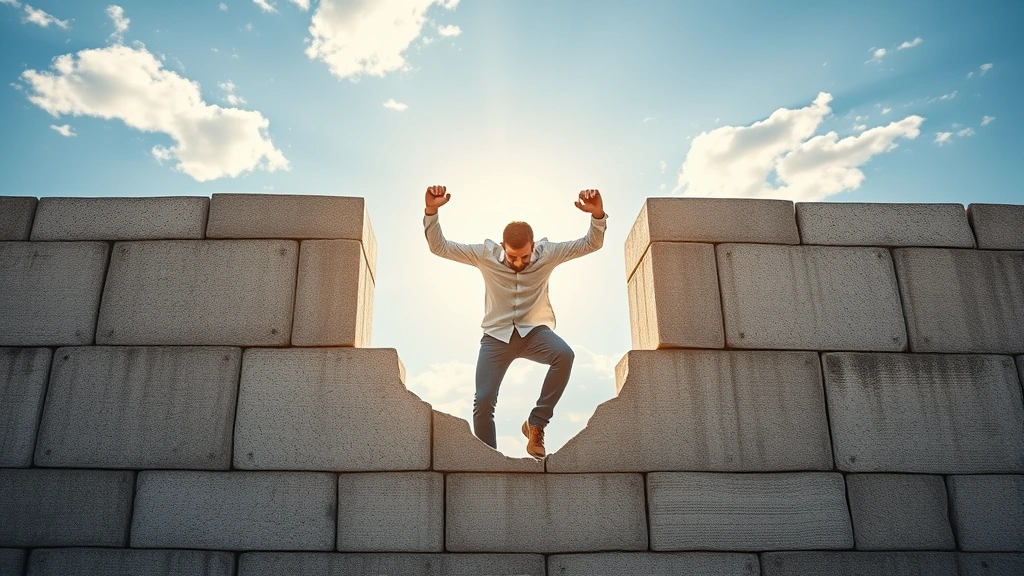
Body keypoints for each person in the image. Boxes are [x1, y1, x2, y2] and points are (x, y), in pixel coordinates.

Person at [422, 184, 607, 459]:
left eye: (525, 256)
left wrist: (597, 215)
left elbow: (591, 243)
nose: (518, 262)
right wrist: (431, 211)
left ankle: (536, 423)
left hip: (534, 333)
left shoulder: (550, 253)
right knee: (483, 402)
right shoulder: (484, 255)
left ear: (534, 246)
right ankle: (490, 459)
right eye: (511, 256)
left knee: (564, 355)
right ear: (502, 246)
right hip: (496, 338)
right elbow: (440, 247)